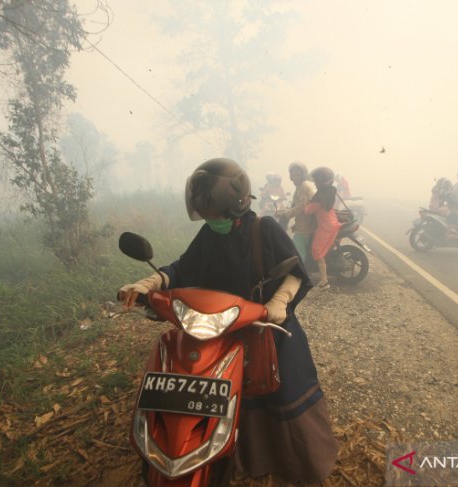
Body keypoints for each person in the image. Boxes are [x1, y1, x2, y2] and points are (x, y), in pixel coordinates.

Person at [117, 158, 338, 482]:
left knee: (284, 383)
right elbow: (183, 266)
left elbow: (295, 272)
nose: (210, 218)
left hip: (265, 325)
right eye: (205, 211)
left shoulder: (265, 229)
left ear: (236, 203)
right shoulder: (209, 235)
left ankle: (298, 464)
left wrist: (280, 300)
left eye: (214, 210)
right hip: (222, 328)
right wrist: (150, 283)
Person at [304, 166, 342, 291]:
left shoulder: (320, 196)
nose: (315, 182)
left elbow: (308, 210)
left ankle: (324, 282)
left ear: (323, 181)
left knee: (317, 251)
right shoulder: (329, 192)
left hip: (326, 227)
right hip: (329, 223)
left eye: (317, 180)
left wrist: (305, 204)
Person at [275, 161, 317, 262]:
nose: (294, 177)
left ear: (303, 175)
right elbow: (293, 206)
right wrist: (283, 211)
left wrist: (286, 214)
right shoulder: (299, 188)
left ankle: (301, 273)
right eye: (293, 175)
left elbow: (301, 207)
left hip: (306, 226)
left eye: (297, 175)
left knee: (297, 252)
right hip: (302, 224)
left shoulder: (304, 187)